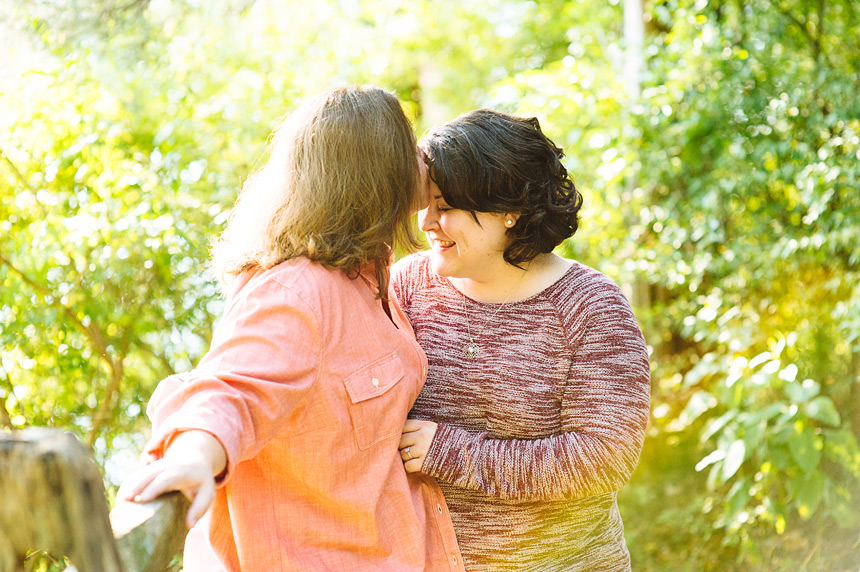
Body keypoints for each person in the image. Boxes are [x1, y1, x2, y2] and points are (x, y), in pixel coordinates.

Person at [118, 85, 463, 571]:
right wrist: (194, 456)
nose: (423, 157)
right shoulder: (295, 293)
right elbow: (234, 389)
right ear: (378, 169)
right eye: (409, 145)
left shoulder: (371, 271)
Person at [392, 109, 651, 571]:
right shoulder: (405, 286)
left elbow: (605, 458)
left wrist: (451, 453)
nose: (426, 221)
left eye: (446, 206)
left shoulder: (591, 307)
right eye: (425, 203)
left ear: (509, 209)